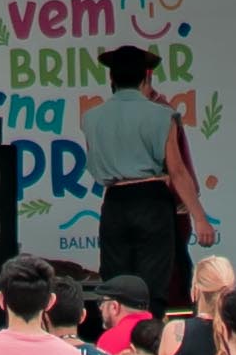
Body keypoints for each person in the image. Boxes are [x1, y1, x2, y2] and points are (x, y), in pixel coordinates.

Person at [73, 44, 204, 305]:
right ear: (146, 77)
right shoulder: (163, 115)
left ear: (111, 78)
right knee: (154, 287)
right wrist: (200, 218)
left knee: (116, 289)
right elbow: (177, 171)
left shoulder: (91, 118)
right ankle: (150, 337)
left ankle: (117, 340)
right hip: (152, 200)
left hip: (114, 202)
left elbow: (95, 163)